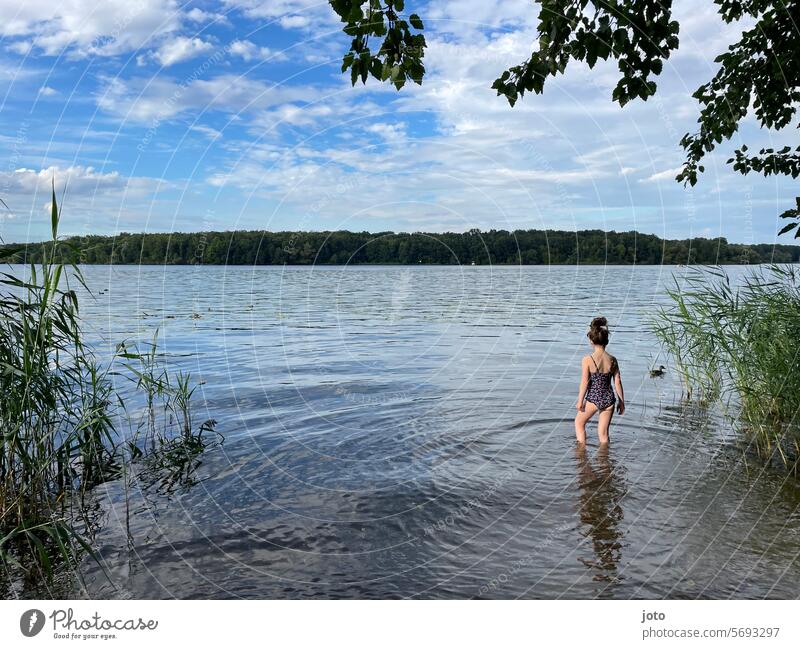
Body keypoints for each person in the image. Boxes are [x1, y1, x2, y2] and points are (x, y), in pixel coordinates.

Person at [575, 317, 625, 445]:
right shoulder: (613, 360)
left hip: (594, 398)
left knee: (579, 423)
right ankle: (605, 461)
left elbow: (585, 382)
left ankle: (581, 453)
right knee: (603, 434)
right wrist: (622, 402)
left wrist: (580, 401)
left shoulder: (587, 360)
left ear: (591, 341)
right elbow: (618, 382)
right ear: (606, 341)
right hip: (609, 399)